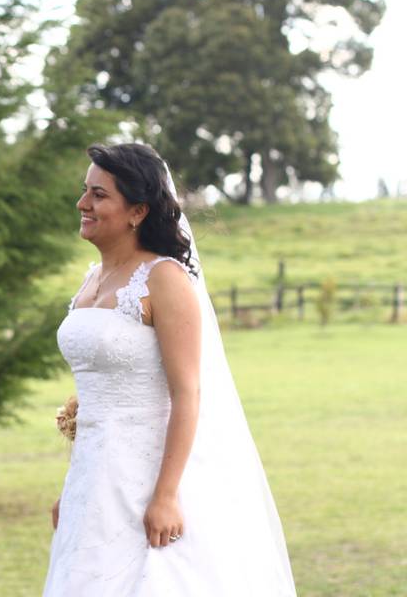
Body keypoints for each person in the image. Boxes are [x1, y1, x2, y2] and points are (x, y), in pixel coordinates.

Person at [43, 143, 295, 596]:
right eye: (85, 192)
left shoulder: (165, 279)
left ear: (137, 211)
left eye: (99, 195)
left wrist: (165, 495)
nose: (82, 204)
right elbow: (101, 389)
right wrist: (73, 489)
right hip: (91, 479)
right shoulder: (89, 280)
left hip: (150, 477)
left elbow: (188, 393)